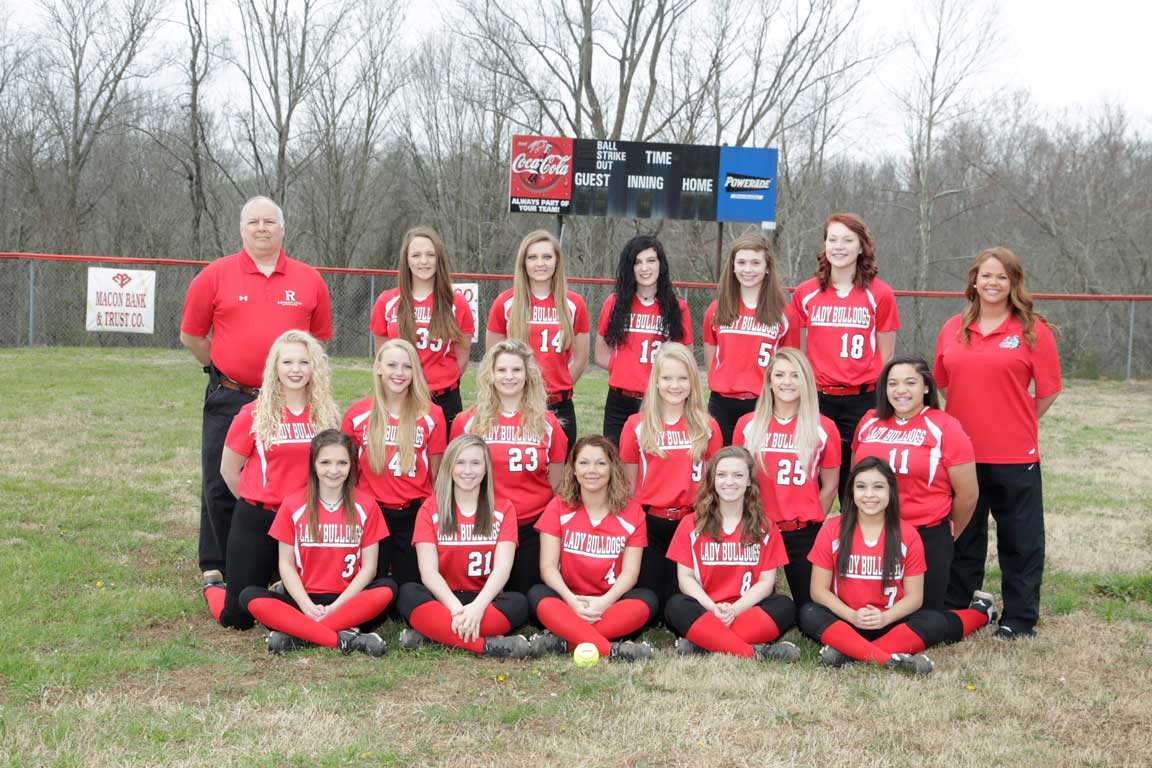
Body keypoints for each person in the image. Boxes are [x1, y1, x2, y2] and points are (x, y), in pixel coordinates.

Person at [181, 196, 332, 588]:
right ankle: (217, 561)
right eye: (254, 222)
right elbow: (192, 334)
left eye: (270, 221)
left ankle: (280, 562)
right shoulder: (214, 275)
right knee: (220, 478)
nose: (262, 228)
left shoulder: (309, 279)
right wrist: (220, 367)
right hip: (232, 394)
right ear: (241, 229)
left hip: (290, 399)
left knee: (288, 481)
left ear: (283, 229)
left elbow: (317, 343)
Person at [934, 247, 1061, 639]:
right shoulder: (953, 327)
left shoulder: (1032, 331)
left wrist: (1016, 421)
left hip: (1013, 455)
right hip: (962, 458)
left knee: (1020, 540)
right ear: (974, 280)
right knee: (963, 536)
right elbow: (941, 382)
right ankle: (959, 610)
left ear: (1014, 284)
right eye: (985, 275)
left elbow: (1049, 391)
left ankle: (1019, 619)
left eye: (1001, 277)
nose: (992, 283)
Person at [798, 457, 996, 674]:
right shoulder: (832, 529)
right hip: (845, 620)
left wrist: (885, 618)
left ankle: (850, 654)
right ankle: (889, 660)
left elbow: (914, 597)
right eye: (861, 487)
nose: (870, 495)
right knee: (808, 612)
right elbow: (818, 591)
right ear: (851, 492)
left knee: (934, 620)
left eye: (878, 487)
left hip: (890, 621)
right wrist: (852, 615)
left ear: (891, 492)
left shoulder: (907, 534)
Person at [203, 330, 339, 629]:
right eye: (287, 362)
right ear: (274, 367)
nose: (295, 370)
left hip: (305, 520)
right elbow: (228, 471)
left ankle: (278, 589)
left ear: (314, 367)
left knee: (309, 606)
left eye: (304, 362)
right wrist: (256, 505)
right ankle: (215, 591)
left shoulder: (325, 415)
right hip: (258, 518)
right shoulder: (252, 413)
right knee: (238, 619)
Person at [237, 430, 395, 656]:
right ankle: (347, 639)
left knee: (387, 589)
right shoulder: (293, 505)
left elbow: (369, 569)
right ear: (313, 465)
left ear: (352, 465)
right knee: (249, 596)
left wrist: (336, 607)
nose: (333, 470)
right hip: (303, 601)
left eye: (342, 462)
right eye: (325, 462)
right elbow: (286, 565)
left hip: (349, 603)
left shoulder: (367, 506)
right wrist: (307, 607)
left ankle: (300, 636)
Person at [851, 355, 978, 611]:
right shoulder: (869, 421)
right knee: (870, 610)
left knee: (922, 620)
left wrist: (946, 533)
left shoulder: (946, 427)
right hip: (874, 533)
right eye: (892, 383)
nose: (900, 390)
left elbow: (968, 495)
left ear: (926, 386)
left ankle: (978, 614)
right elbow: (856, 477)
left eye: (910, 382)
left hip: (924, 534)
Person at [395, 434, 532, 658]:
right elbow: (428, 572)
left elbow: (502, 569)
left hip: (485, 599)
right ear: (449, 467)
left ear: (486, 468)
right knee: (407, 594)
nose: (468, 470)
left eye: (476, 463)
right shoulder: (430, 509)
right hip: (444, 599)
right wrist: (455, 608)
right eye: (460, 462)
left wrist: (477, 609)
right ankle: (487, 646)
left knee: (519, 603)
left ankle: (431, 635)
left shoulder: (504, 509)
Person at [791, 213, 898, 497]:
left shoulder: (881, 294)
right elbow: (797, 354)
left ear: (862, 246)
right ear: (824, 244)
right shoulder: (805, 293)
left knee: (858, 483)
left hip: (862, 399)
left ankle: (853, 541)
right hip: (817, 399)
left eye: (848, 240)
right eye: (833, 239)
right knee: (809, 481)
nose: (839, 246)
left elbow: (886, 357)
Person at [528, 436, 658, 661]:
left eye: (600, 463)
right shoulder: (558, 506)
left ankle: (564, 640)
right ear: (574, 469)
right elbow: (548, 567)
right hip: (567, 600)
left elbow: (630, 573)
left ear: (612, 468)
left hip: (609, 603)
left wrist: (602, 602)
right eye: (584, 463)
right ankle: (612, 650)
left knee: (647, 601)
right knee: (537, 596)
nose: (592, 470)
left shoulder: (632, 511)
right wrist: (572, 601)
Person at [451, 340, 567, 594]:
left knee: (526, 599)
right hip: (484, 524)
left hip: (530, 525)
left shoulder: (548, 424)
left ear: (528, 375)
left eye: (516, 370)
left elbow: (556, 481)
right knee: (476, 593)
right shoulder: (467, 422)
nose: (509, 377)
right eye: (502, 370)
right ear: (490, 376)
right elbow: (456, 474)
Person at [663, 447, 799, 662]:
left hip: (746, 610)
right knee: (675, 606)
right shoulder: (691, 523)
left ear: (748, 481)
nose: (729, 482)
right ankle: (757, 653)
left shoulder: (765, 525)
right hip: (705, 609)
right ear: (712, 480)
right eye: (722, 475)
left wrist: (734, 610)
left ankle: (704, 643)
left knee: (785, 606)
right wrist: (712, 608)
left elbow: (766, 581)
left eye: (738, 475)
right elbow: (685, 578)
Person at [619, 342, 722, 613]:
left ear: (692, 382)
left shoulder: (707, 426)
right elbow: (628, 485)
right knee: (649, 606)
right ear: (655, 381)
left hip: (692, 523)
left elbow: (715, 483)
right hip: (650, 523)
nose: (674, 385)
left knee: (680, 606)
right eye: (667, 378)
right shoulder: (636, 425)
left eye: (682, 378)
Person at [733, 349, 840, 608]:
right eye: (779, 375)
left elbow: (831, 484)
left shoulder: (823, 427)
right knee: (745, 606)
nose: (787, 382)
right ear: (769, 381)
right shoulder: (748, 425)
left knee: (811, 610)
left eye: (795, 375)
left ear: (806, 382)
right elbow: (735, 481)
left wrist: (811, 521)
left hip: (800, 531)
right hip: (756, 528)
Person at [342, 339, 447, 586]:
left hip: (413, 512)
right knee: (373, 588)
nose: (399, 373)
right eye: (392, 365)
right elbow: (348, 471)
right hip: (371, 511)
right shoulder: (357, 414)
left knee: (411, 589)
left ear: (415, 372)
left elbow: (436, 471)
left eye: (407, 367)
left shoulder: (432, 415)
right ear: (378, 367)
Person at [486, 229, 589, 449]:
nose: (540, 263)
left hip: (558, 404)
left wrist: (555, 385)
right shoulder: (505, 303)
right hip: (516, 401)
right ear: (523, 263)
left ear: (557, 262)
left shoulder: (574, 303)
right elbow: (492, 361)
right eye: (532, 257)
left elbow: (580, 360)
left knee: (560, 476)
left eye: (547, 257)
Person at [370, 227, 474, 429]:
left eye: (430, 255)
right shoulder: (387, 301)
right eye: (416, 255)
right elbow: (382, 355)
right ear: (406, 260)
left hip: (444, 398)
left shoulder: (457, 303)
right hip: (401, 394)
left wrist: (437, 383)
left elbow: (461, 357)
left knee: (445, 459)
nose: (423, 261)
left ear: (439, 259)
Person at [595, 235, 693, 446]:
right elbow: (600, 353)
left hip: (658, 400)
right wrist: (624, 369)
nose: (644, 268)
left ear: (661, 265)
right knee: (615, 464)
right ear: (629, 268)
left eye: (650, 260)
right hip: (619, 401)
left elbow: (686, 358)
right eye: (637, 262)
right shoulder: (614, 303)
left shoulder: (677, 307)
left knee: (654, 462)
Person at [702, 233, 799, 445]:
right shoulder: (716, 310)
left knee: (758, 468)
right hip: (722, 403)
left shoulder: (785, 314)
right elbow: (712, 356)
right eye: (742, 262)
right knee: (723, 466)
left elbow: (791, 363)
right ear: (733, 267)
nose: (748, 269)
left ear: (767, 268)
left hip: (764, 402)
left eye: (755, 263)